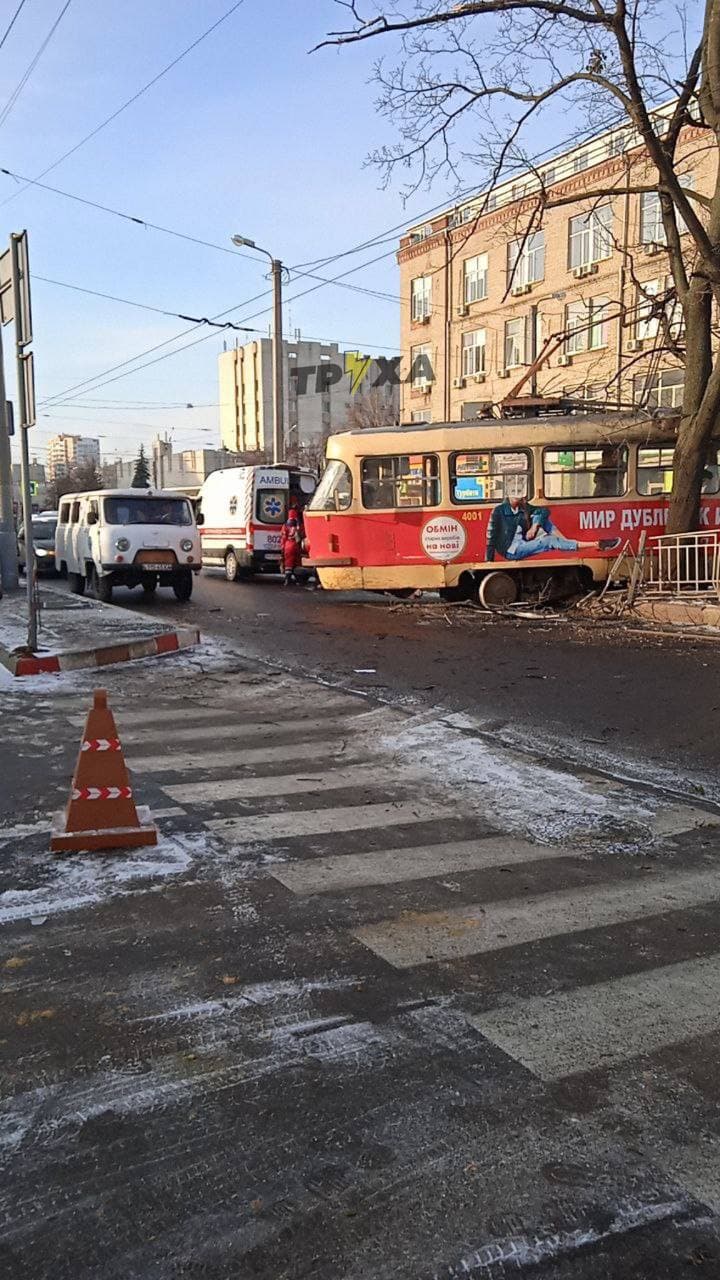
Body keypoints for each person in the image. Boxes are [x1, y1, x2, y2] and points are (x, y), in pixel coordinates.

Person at [485, 494, 620, 562]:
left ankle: (565, 543)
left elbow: (543, 511)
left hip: (522, 542)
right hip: (512, 550)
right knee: (549, 540)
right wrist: (488, 562)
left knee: (543, 520)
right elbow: (490, 536)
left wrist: (534, 527)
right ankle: (596, 544)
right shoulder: (499, 511)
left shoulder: (523, 507)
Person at [281, 511, 303, 586]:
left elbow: (283, 537)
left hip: (288, 545)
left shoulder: (286, 525)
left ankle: (287, 580)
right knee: (297, 563)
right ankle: (299, 580)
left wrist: (282, 547)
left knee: (288, 564)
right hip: (296, 545)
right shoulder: (299, 525)